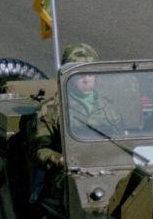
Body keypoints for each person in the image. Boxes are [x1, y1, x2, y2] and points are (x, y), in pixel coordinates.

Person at [31, 43, 122, 173]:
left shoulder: (108, 108)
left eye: (90, 74)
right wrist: (59, 159)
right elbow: (39, 149)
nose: (86, 79)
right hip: (64, 175)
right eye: (80, 74)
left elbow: (122, 142)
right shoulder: (52, 110)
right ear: (68, 76)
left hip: (105, 169)